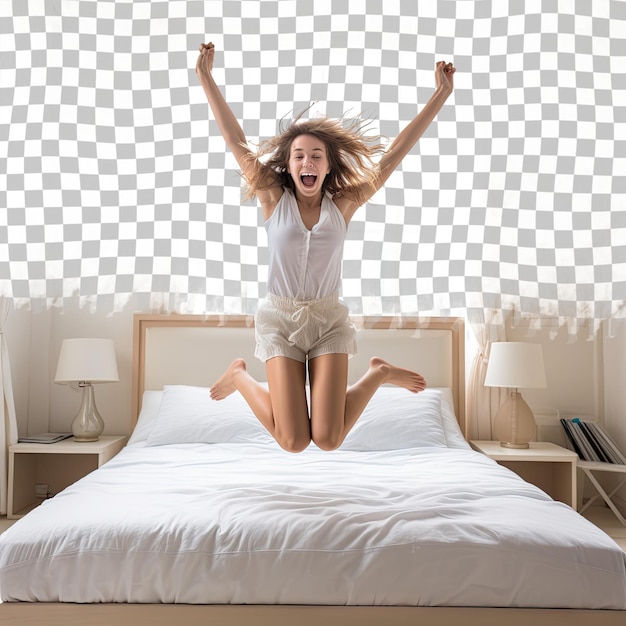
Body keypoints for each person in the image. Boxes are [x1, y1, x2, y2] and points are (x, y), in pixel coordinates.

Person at [196, 42, 455, 453]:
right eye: (298, 156)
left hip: (328, 320)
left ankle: (378, 372)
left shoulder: (345, 204)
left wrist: (440, 95)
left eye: (316, 155)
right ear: (289, 164)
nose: (307, 163)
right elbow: (235, 139)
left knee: (329, 439)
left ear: (328, 165)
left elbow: (395, 154)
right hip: (281, 320)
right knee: (294, 440)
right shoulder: (271, 198)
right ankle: (240, 376)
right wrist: (206, 78)